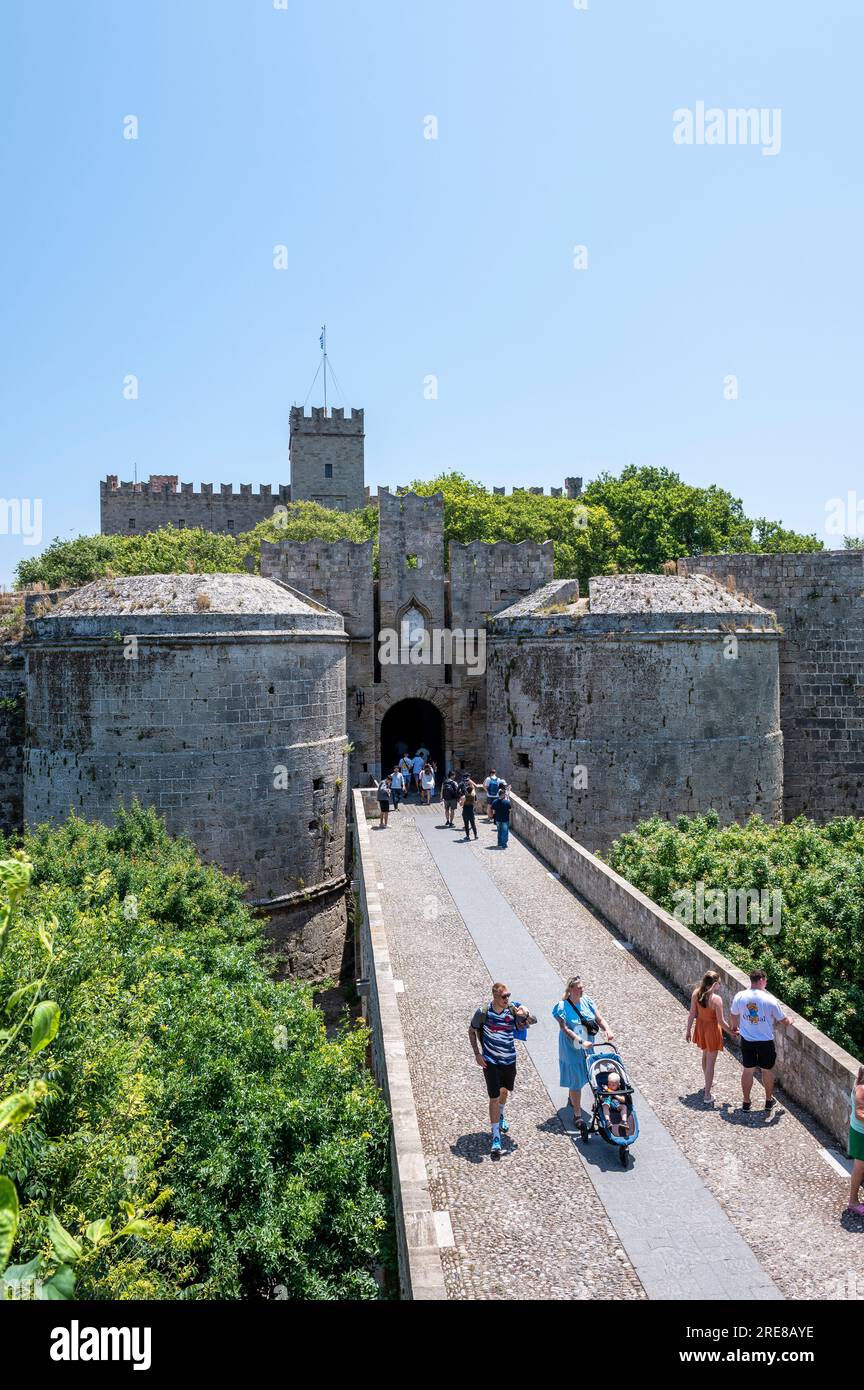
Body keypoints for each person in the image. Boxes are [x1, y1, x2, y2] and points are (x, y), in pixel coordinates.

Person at [469, 982, 536, 1154]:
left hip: (509, 1060)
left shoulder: (512, 1010)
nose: (507, 999)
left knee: (504, 1091)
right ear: (495, 996)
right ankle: (496, 1135)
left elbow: (533, 1021)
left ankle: (500, 1113)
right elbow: (471, 1030)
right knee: (493, 1096)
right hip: (490, 1061)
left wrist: (526, 1013)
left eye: (508, 995)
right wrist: (477, 1053)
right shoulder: (483, 1012)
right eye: (504, 996)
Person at [552, 975, 615, 1117]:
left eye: (582, 987)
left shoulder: (587, 1000)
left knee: (584, 1074)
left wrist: (607, 1030)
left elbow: (599, 1019)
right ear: (571, 989)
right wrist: (581, 1041)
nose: (582, 990)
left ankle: (571, 1097)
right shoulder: (562, 1007)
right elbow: (565, 1029)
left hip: (588, 1045)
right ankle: (577, 1113)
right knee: (575, 1079)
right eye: (579, 988)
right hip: (571, 1047)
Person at [729, 969, 790, 1112]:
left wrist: (734, 1027)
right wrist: (791, 1019)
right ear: (761, 980)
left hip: (747, 1040)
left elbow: (733, 1014)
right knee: (767, 1070)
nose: (766, 983)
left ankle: (746, 1102)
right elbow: (784, 1021)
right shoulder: (770, 1000)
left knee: (748, 1070)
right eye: (766, 980)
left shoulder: (740, 996)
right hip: (765, 1041)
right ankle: (768, 1102)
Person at [686, 970, 730, 1105]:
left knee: (705, 1055)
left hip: (701, 1027)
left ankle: (707, 1082)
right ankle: (707, 1095)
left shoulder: (696, 993)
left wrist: (688, 1030)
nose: (720, 986)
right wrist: (732, 1031)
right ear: (715, 984)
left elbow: (692, 1014)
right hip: (711, 1030)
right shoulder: (716, 999)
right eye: (719, 984)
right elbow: (721, 1022)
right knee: (711, 1063)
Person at [848, 1064, 864, 1217]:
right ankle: (853, 1201)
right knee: (859, 1168)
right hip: (861, 1135)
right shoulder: (861, 1089)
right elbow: (860, 1114)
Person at [601, 1071, 634, 1139]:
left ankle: (624, 1121)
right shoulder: (606, 1089)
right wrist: (605, 1093)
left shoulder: (620, 1091)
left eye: (613, 1085)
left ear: (618, 1085)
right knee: (605, 1106)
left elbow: (623, 1100)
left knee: (624, 1107)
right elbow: (601, 1098)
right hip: (608, 1105)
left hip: (617, 1105)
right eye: (609, 1084)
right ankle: (608, 1121)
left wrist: (612, 1093)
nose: (610, 1086)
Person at [493, 782, 511, 848]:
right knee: (505, 832)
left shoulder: (494, 802)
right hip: (505, 819)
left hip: (498, 819)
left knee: (499, 831)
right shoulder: (507, 802)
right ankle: (504, 844)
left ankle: (499, 843)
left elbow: (493, 811)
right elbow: (510, 810)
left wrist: (494, 817)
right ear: (503, 795)